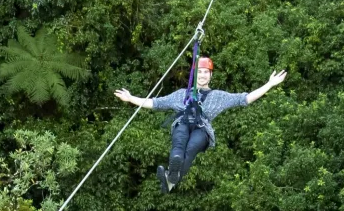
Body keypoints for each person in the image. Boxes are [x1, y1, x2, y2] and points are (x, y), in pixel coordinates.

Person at [114, 58, 287, 192]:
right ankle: (172, 175)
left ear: (211, 75)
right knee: (179, 141)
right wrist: (131, 99)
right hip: (182, 123)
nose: (203, 75)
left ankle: (172, 178)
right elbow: (155, 103)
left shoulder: (218, 97)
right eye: (200, 72)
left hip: (202, 129)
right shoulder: (181, 94)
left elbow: (245, 99)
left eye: (206, 72)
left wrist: (270, 84)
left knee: (191, 147)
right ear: (195, 75)